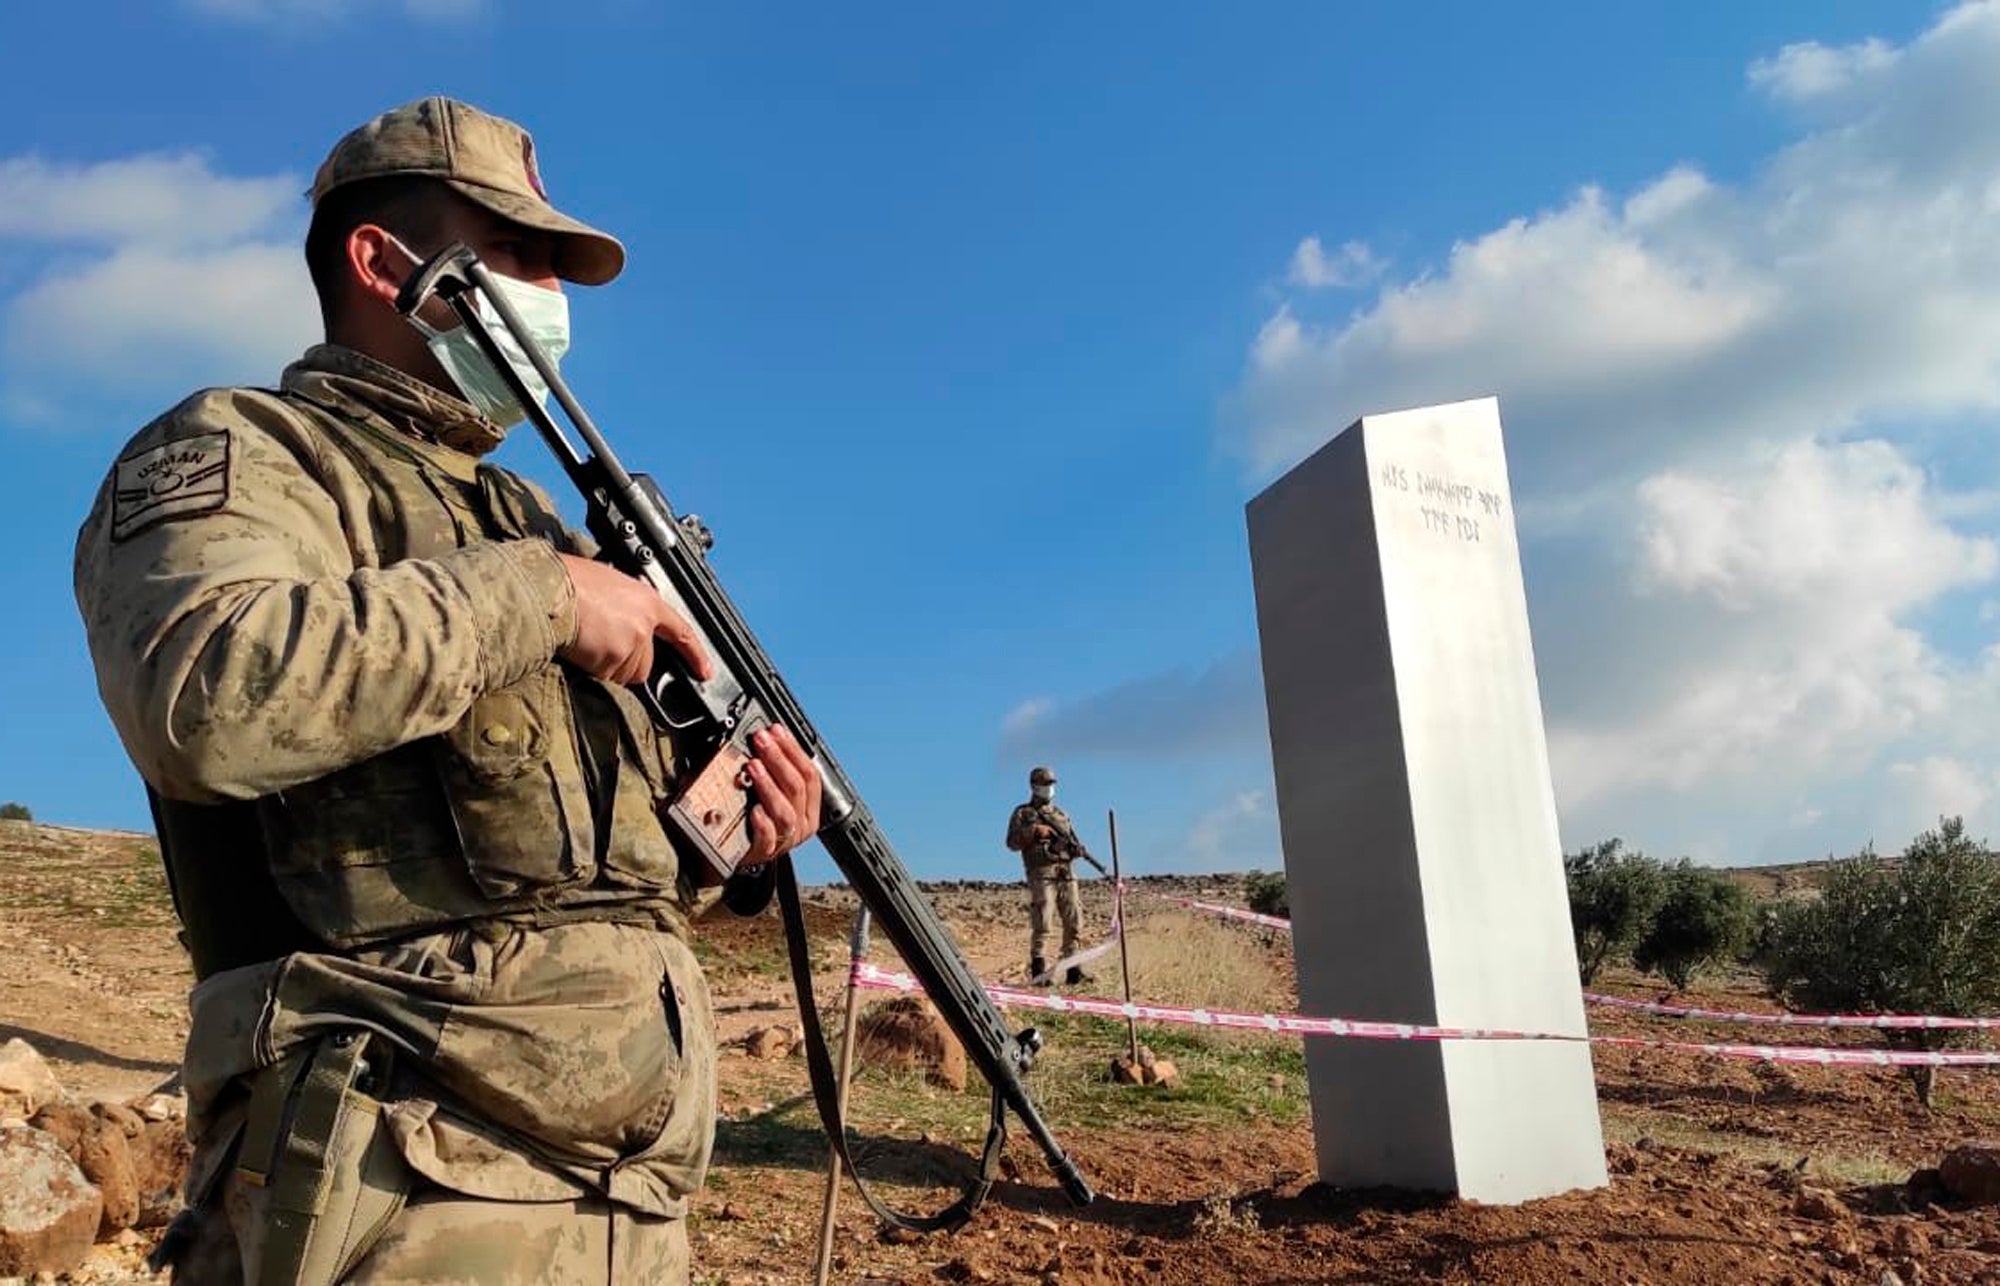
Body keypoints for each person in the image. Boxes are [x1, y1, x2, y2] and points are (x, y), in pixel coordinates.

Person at [72, 96, 822, 1285]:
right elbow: (203, 698)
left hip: (628, 1195)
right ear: (383, 263)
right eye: (519, 256)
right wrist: (547, 600)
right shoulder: (249, 450)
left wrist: (739, 834)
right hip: (396, 1178)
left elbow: (576, 862)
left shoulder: (524, 519)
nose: (551, 300)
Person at [1003, 765, 1093, 985]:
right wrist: (1034, 832)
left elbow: (1072, 841)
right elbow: (1012, 842)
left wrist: (1076, 850)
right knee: (1043, 922)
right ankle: (1039, 971)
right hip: (1041, 873)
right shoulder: (1023, 813)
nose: (1049, 788)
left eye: (1051, 784)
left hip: (1066, 872)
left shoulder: (1061, 814)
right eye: (1044, 784)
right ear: (1034, 786)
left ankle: (1074, 970)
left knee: (1074, 922)